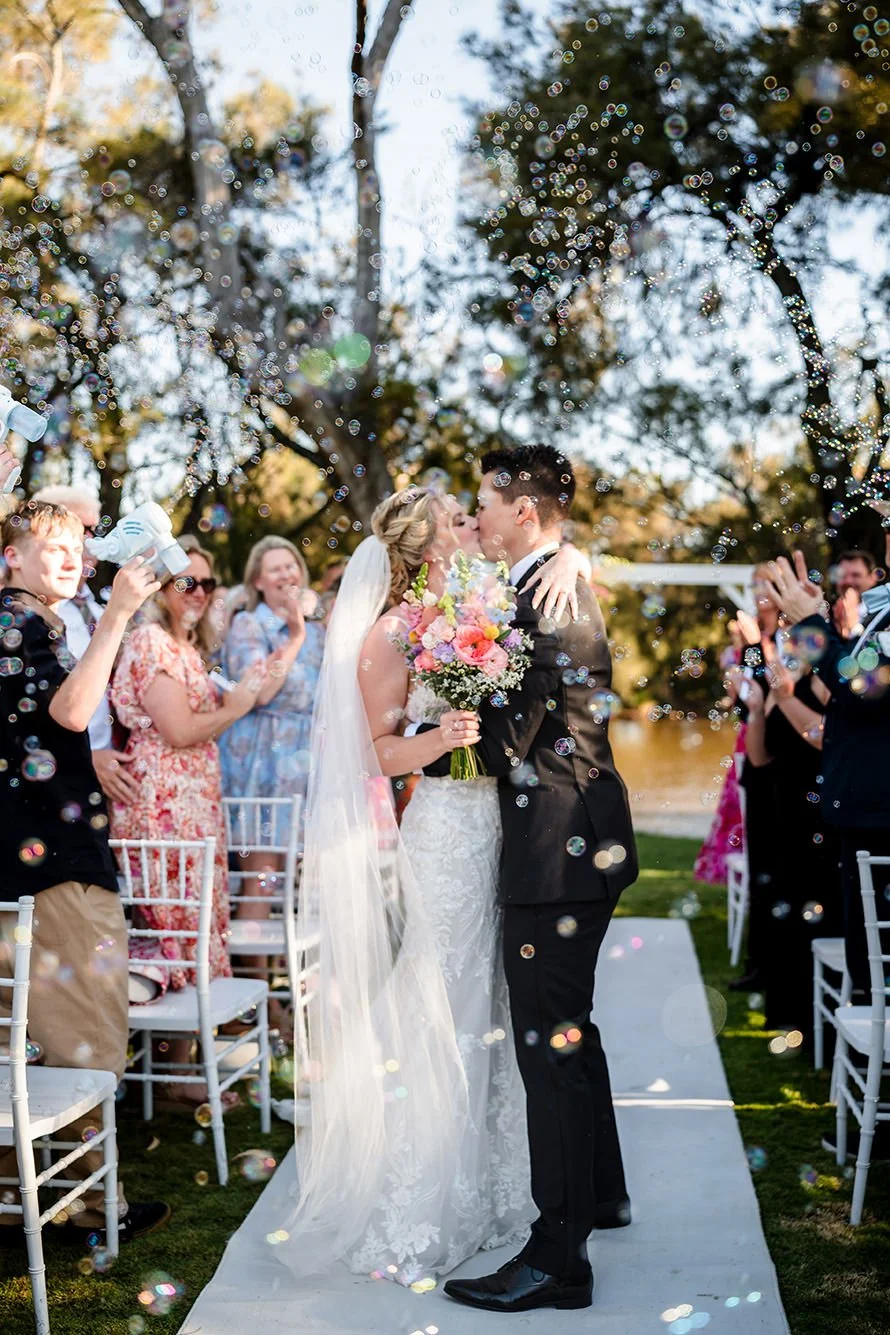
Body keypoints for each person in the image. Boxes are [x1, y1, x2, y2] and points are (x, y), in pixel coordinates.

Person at [283, 479, 590, 1284]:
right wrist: (441, 738)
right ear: (426, 543)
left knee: (494, 1001)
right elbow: (374, 753)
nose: (471, 521)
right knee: (442, 999)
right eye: (457, 517)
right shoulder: (389, 632)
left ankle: (500, 1191)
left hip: (506, 829)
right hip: (446, 832)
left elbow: (545, 588)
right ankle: (424, 1204)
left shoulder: (481, 603)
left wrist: (577, 554)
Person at [433, 445, 637, 1313]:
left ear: (524, 510)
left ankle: (560, 1259)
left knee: (546, 1048)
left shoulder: (541, 597)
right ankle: (602, 1194)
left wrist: (445, 715)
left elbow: (506, 741)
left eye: (484, 501)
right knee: (571, 1032)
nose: (475, 515)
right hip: (581, 839)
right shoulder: (546, 581)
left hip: (556, 853)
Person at [0, 499, 169, 1243]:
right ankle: (98, 1209)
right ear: (13, 556)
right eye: (51, 546)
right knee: (93, 1032)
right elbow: (71, 714)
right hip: (58, 862)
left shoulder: (23, 623)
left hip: (28, 852)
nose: (72, 559)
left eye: (77, 548)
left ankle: (29, 1197)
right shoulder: (25, 622)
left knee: (27, 1036)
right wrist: (119, 615)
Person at [109, 534, 263, 1108]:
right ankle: (171, 1077)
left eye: (206, 582)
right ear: (162, 588)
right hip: (163, 804)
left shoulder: (187, 647)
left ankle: (177, 1070)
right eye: (185, 582)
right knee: (173, 923)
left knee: (193, 920)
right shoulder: (151, 641)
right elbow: (177, 731)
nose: (197, 592)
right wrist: (238, 707)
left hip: (195, 804)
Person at [767, 553, 890, 1157]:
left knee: (878, 971)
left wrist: (810, 623)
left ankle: (878, 1120)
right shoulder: (881, 610)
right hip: (863, 815)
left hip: (880, 817)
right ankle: (876, 1114)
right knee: (872, 971)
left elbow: (867, 688)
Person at [733, 643, 839, 1037]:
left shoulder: (828, 683)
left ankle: (821, 1026)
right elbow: (759, 758)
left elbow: (820, 737)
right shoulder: (782, 687)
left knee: (816, 915)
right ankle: (788, 1016)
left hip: (822, 818)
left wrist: (784, 697)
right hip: (781, 814)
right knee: (786, 914)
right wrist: (759, 709)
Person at [30, 484, 139, 807]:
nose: (92, 540)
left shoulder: (96, 609)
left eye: (95, 528)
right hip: (52, 779)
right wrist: (88, 756)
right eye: (81, 528)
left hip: (106, 777)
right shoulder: (33, 615)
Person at [831, 548, 879, 638]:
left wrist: (853, 628)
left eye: (856, 575)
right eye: (842, 576)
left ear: (872, 578)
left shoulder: (882, 615)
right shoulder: (827, 616)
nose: (848, 581)